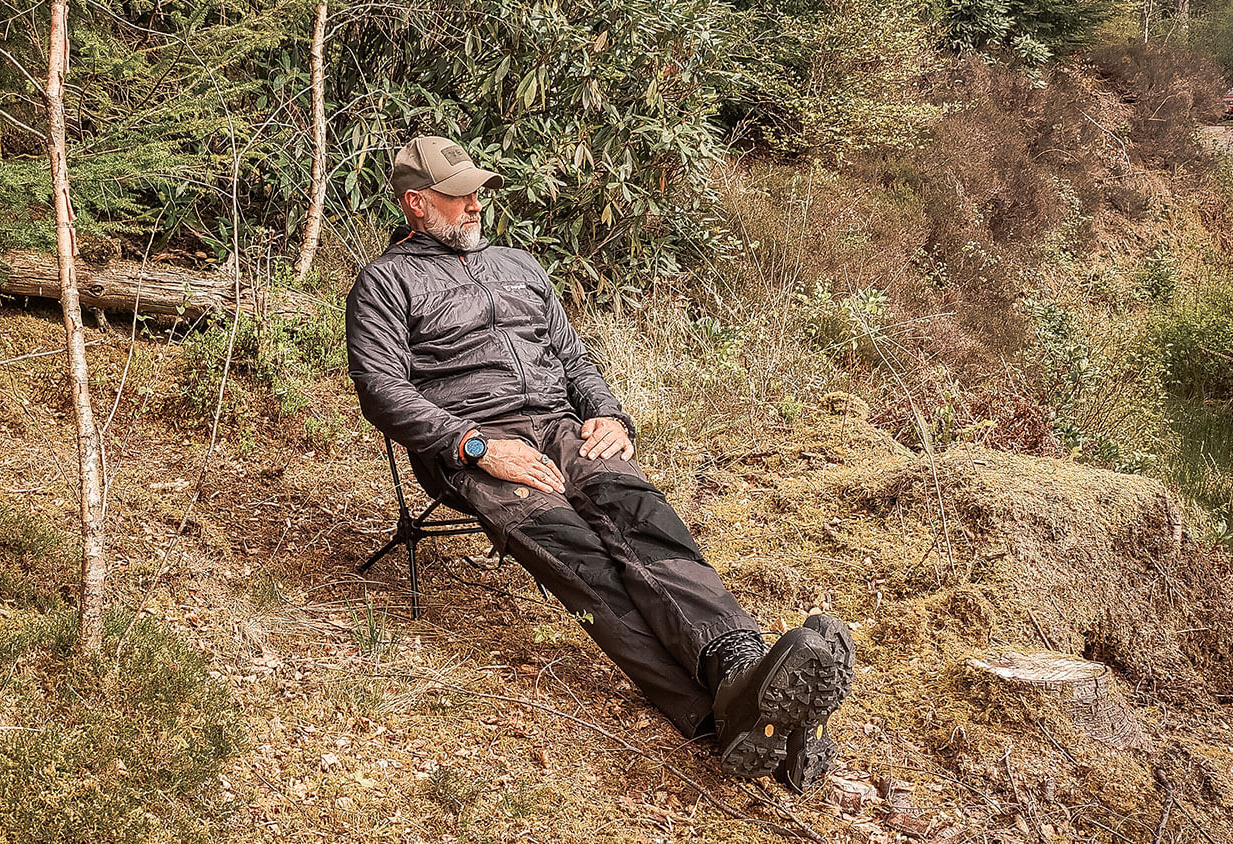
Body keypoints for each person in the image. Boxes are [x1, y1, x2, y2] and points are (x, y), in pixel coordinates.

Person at [345, 135, 855, 790]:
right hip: (477, 447)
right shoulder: (385, 282)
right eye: (460, 195)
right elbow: (382, 391)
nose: (476, 205)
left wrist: (610, 415)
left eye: (478, 191)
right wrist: (477, 447)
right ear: (416, 203)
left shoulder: (520, 265)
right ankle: (724, 712)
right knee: (580, 555)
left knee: (643, 521)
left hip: (562, 428)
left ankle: (740, 665)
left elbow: (574, 359)